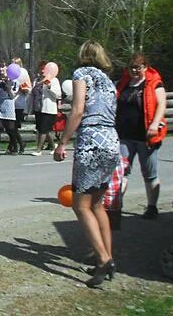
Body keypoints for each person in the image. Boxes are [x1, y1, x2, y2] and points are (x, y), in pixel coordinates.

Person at [54, 41, 120, 287]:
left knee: (81, 205)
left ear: (82, 55)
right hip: (111, 140)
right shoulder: (108, 80)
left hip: (91, 142)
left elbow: (78, 110)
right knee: (97, 204)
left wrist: (63, 142)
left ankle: (103, 259)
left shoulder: (82, 74)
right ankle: (108, 255)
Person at [115, 52, 167, 219]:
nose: (134, 71)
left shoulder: (154, 83)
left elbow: (161, 104)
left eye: (137, 67)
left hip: (146, 136)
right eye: (131, 68)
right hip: (125, 135)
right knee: (122, 172)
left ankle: (152, 207)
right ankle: (117, 206)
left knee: (149, 173)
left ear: (145, 67)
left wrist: (154, 123)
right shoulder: (123, 83)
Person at [0, 63, 23, 157]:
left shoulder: (14, 81)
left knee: (11, 129)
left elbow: (13, 96)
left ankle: (15, 145)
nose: (1, 70)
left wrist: (8, 87)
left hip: (8, 105)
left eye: (3, 69)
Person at [30, 61, 61, 156]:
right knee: (43, 129)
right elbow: (32, 93)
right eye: (41, 68)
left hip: (49, 109)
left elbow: (58, 94)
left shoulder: (54, 80)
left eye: (45, 69)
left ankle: (39, 150)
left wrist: (49, 86)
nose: (43, 71)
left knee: (43, 129)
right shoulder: (36, 80)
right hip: (39, 108)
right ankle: (53, 146)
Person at [11, 57, 31, 135]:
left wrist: (21, 88)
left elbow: (28, 88)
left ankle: (18, 144)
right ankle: (14, 145)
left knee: (15, 126)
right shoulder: (10, 74)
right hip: (12, 103)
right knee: (11, 126)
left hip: (20, 103)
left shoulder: (23, 74)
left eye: (14, 63)